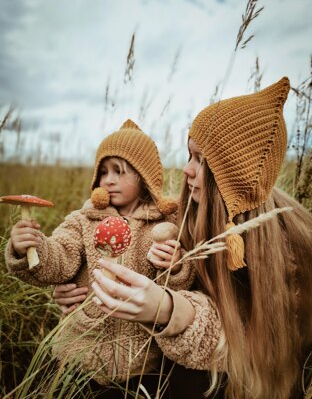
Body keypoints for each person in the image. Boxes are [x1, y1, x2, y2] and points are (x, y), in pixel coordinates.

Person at [87, 78, 312, 398]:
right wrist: (83, 285)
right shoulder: (188, 218)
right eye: (189, 155)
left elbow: (248, 341)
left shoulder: (291, 250)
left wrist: (167, 310)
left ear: (231, 177)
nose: (187, 170)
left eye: (200, 160)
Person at [5, 119, 195, 397]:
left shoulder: (165, 225)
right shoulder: (84, 219)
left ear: (144, 177)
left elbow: (179, 288)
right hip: (79, 352)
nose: (108, 179)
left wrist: (176, 266)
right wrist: (32, 249)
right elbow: (61, 257)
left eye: (119, 171)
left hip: (140, 360)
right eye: (103, 171)